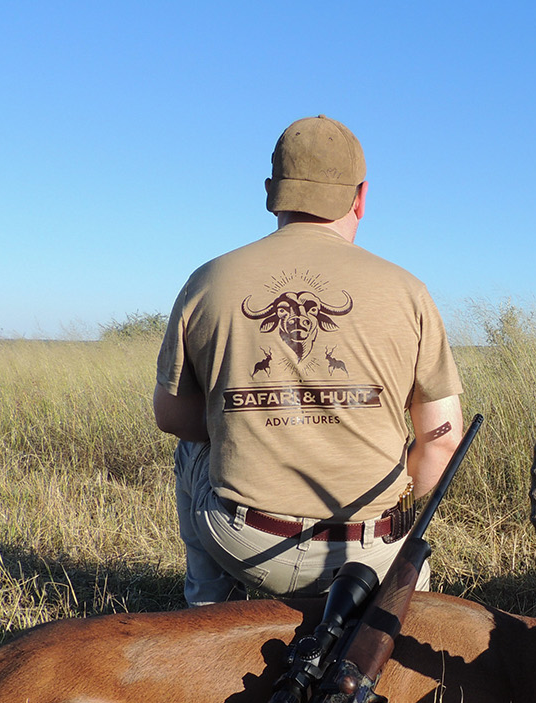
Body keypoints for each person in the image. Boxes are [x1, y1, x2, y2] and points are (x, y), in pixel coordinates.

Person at [153, 115, 463, 605]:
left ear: (271, 192)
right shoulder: (409, 292)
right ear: (361, 197)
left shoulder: (207, 281)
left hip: (246, 543)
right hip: (370, 557)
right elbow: (443, 445)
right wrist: (394, 511)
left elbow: (172, 417)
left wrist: (249, 421)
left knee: (193, 453)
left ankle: (207, 609)